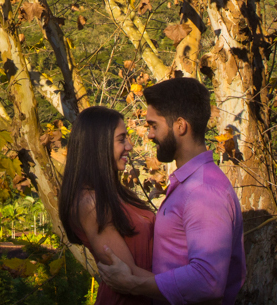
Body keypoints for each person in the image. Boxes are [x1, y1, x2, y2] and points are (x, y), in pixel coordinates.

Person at [96, 77, 245, 305]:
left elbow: (208, 280)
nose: (149, 135)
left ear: (180, 126)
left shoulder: (204, 191)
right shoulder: (189, 184)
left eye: (154, 125)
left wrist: (132, 284)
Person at [58, 105, 156, 305]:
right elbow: (127, 274)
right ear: (97, 144)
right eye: (121, 139)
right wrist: (189, 290)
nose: (129, 146)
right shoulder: (90, 203)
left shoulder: (118, 194)